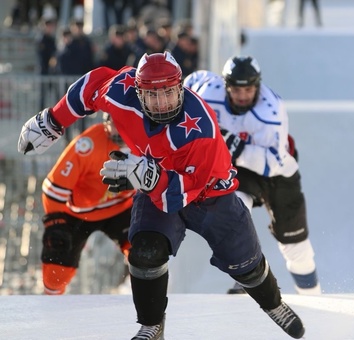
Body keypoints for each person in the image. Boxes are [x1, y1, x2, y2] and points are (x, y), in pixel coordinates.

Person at [18, 51, 305, 339]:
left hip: (209, 193)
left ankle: (273, 304)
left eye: (168, 92)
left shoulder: (199, 128)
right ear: (137, 91)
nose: (161, 101)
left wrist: (147, 177)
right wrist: (52, 120)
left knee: (246, 266)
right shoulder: (122, 92)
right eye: (152, 95)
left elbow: (187, 189)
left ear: (180, 88)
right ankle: (152, 325)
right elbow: (91, 86)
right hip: (156, 180)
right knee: (144, 252)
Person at [183, 56, 321, 295]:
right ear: (226, 86)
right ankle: (247, 273)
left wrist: (238, 147)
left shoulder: (270, 110)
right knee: (236, 209)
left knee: (295, 246)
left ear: (258, 86)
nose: (243, 95)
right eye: (237, 89)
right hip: (235, 168)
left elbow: (274, 163)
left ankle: (313, 296)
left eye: (249, 89)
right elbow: (192, 81)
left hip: (275, 172)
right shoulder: (208, 91)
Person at [40, 113, 134, 295]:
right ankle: (50, 307)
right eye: (116, 123)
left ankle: (146, 301)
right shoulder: (87, 145)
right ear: (106, 122)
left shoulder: (150, 141)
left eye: (128, 121)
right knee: (56, 267)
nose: (121, 129)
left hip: (122, 209)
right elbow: (53, 189)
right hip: (77, 214)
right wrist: (56, 223)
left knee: (146, 253)